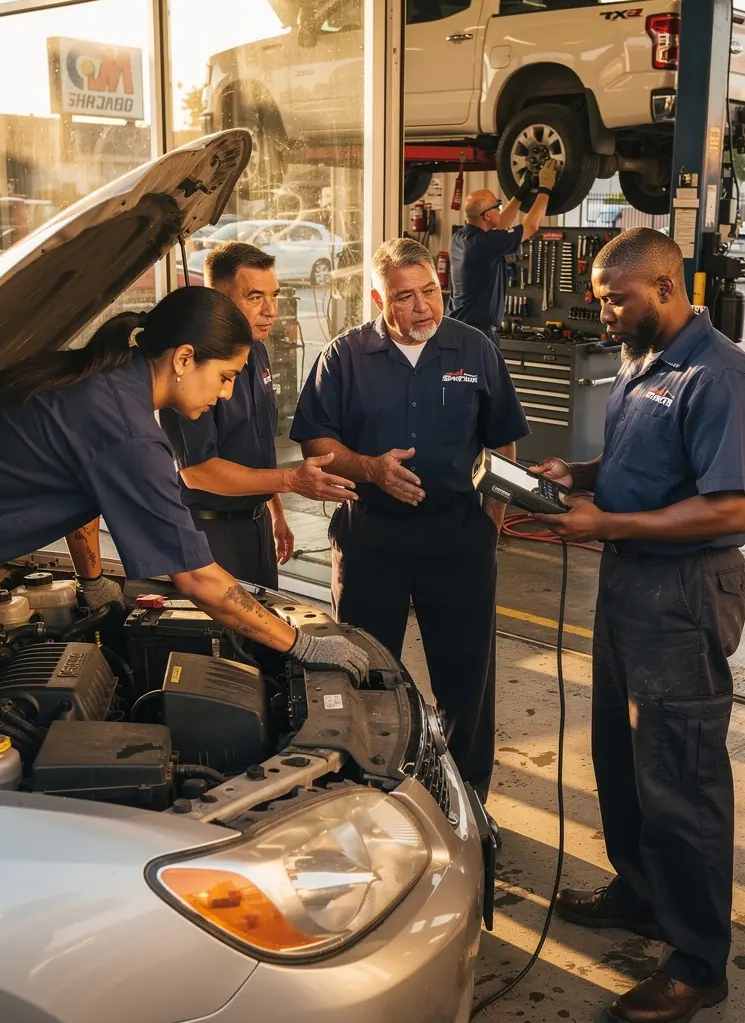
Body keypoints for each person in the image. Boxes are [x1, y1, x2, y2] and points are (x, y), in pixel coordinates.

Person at [533, 227, 745, 1023]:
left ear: (667, 289)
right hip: (630, 580)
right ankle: (640, 892)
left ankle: (699, 963)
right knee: (621, 753)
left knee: (681, 776)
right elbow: (642, 467)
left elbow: (730, 509)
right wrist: (579, 477)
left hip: (682, 592)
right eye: (600, 298)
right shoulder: (643, 360)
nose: (602, 312)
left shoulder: (720, 377)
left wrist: (606, 522)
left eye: (614, 298)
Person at [0, 287, 368, 685]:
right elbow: (197, 579)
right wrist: (302, 645)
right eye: (225, 377)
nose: (226, 393)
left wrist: (91, 580)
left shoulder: (107, 379)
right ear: (184, 358)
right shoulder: (131, 435)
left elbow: (83, 483)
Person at [290, 237, 530, 834]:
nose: (423, 306)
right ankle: (372, 802)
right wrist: (370, 469)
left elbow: (501, 439)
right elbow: (316, 443)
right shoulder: (344, 357)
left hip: (459, 539)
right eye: (405, 296)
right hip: (373, 540)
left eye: (430, 291)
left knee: (466, 680)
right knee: (366, 675)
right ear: (378, 299)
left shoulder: (474, 348)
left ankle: (469, 804)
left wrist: (490, 525)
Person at [160, 242, 357, 590]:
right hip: (209, 531)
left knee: (265, 620)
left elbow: (259, 445)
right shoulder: (192, 366)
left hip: (258, 525)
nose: (271, 310)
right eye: (255, 297)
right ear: (218, 297)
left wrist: (277, 515)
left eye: (274, 295)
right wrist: (291, 481)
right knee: (225, 626)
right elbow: (197, 472)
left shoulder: (257, 350)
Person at [448, 158, 559, 344]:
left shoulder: (461, 238)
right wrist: (545, 187)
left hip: (461, 330)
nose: (500, 210)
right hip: (476, 336)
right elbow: (531, 226)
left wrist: (521, 192)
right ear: (488, 215)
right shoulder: (484, 244)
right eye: (498, 206)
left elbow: (500, 227)